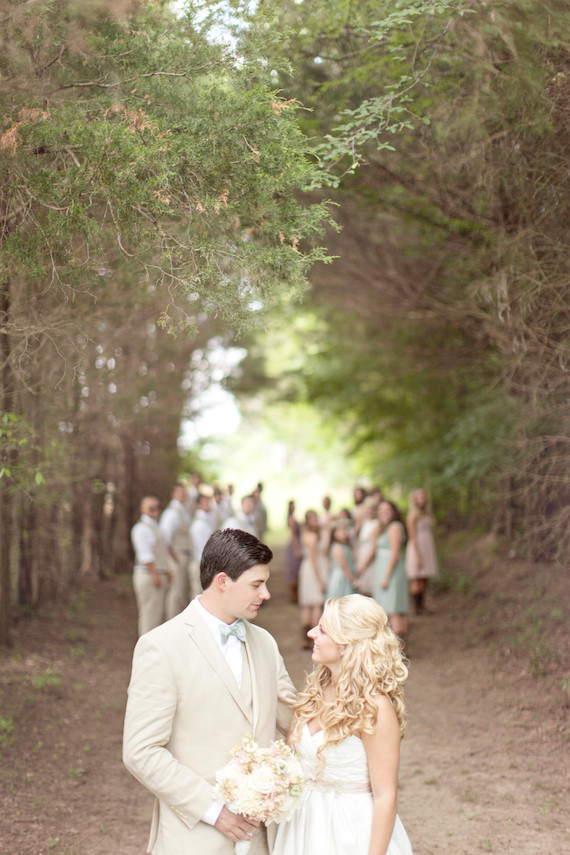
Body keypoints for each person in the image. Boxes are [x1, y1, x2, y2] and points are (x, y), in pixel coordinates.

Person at [123, 528, 297, 855]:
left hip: (262, 837)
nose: (266, 594)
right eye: (256, 585)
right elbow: (141, 751)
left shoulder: (265, 643)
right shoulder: (160, 647)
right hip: (194, 836)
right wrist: (214, 811)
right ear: (222, 581)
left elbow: (296, 722)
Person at [272, 594, 413, 855]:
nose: (311, 633)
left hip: (350, 832)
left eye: (323, 630)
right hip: (303, 826)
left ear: (347, 645)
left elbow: (385, 796)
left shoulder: (375, 708)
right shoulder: (315, 691)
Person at [130, 496, 173, 637]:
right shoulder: (141, 528)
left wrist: (166, 570)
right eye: (151, 508)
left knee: (156, 615)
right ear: (143, 509)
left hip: (158, 572)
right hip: (148, 574)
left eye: (157, 507)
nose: (155, 511)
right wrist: (154, 573)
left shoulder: (156, 527)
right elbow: (145, 554)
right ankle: (144, 648)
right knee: (149, 616)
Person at [371, 502, 409, 640]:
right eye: (381, 510)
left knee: (394, 608)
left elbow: (395, 554)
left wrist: (386, 577)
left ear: (393, 512)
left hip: (391, 572)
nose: (383, 512)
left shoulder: (394, 527)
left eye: (387, 510)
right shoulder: (383, 528)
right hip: (383, 569)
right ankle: (397, 644)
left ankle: (398, 645)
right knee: (388, 608)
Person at [159, 484, 193, 618]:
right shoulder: (172, 513)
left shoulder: (183, 511)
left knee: (182, 591)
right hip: (177, 555)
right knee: (176, 592)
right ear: (173, 495)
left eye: (184, 492)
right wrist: (174, 557)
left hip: (184, 554)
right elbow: (165, 537)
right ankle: (171, 620)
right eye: (180, 493)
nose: (183, 495)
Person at [405, 488, 438, 615]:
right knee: (416, 579)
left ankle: (422, 606)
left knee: (425, 578)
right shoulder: (412, 516)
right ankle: (417, 607)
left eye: (422, 497)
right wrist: (417, 555)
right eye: (418, 497)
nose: (421, 500)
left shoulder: (426, 514)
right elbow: (412, 537)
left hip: (427, 547)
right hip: (417, 548)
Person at [298, 510, 327, 648]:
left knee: (307, 604)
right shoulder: (313, 536)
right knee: (316, 604)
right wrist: (320, 580)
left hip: (306, 568)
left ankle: (305, 638)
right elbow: (314, 559)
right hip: (313, 570)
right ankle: (313, 637)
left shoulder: (305, 534)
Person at [189, 493, 214, 597]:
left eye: (208, 502)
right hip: (201, 564)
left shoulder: (206, 520)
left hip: (203, 563)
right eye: (205, 502)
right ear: (199, 505)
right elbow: (201, 548)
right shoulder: (199, 524)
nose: (208, 504)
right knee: (198, 594)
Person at [355, 497, 381, 596]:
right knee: (362, 589)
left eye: (372, 509)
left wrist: (363, 566)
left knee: (369, 590)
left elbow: (373, 549)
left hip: (369, 559)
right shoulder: (365, 522)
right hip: (362, 555)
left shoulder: (376, 524)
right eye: (367, 509)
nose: (369, 511)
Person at [326, 521, 356, 599]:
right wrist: (352, 580)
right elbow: (343, 565)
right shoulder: (337, 547)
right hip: (340, 576)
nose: (343, 532)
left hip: (347, 575)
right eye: (339, 530)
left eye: (344, 530)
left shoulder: (347, 546)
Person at [286, 500, 302, 604]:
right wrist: (297, 549)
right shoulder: (291, 518)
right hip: (294, 546)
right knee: (294, 571)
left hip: (296, 545)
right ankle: (294, 595)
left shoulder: (293, 517)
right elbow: (292, 535)